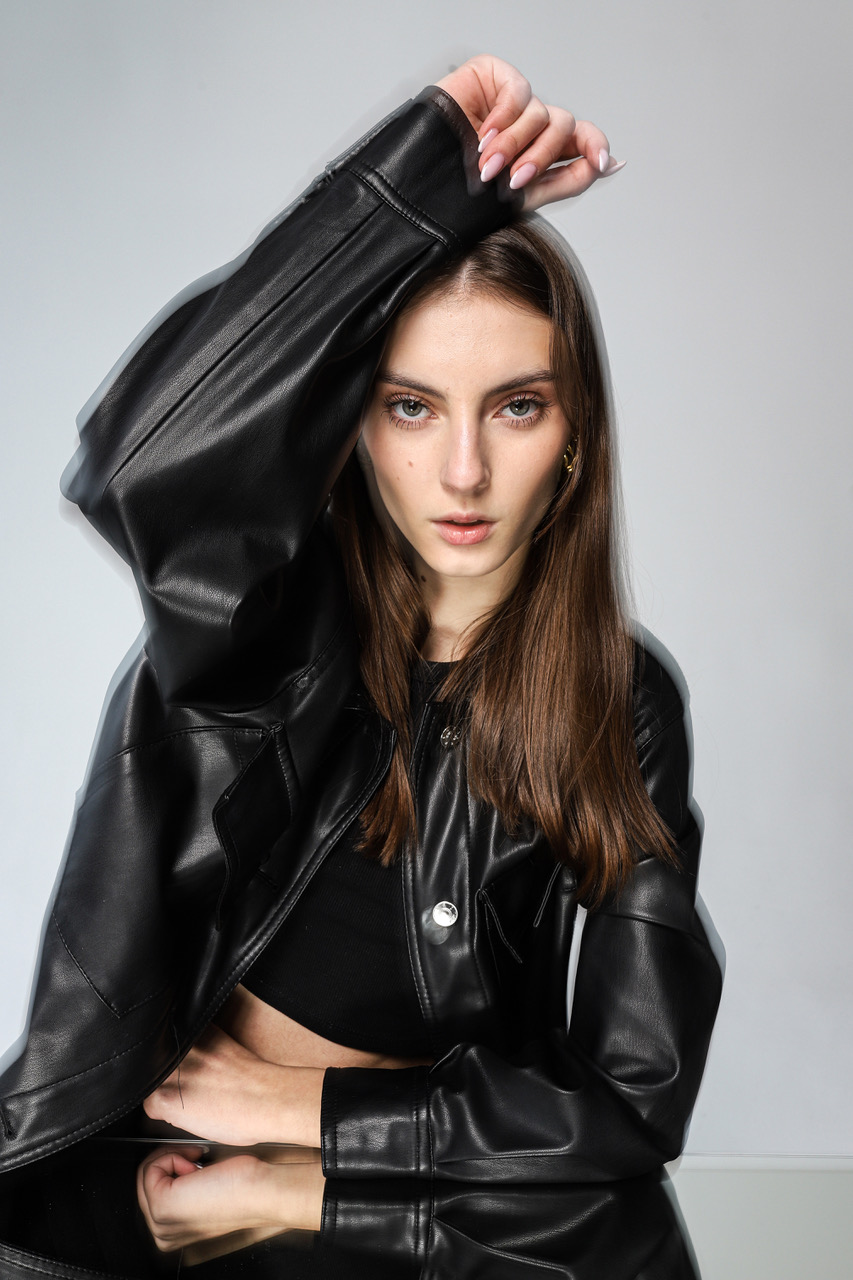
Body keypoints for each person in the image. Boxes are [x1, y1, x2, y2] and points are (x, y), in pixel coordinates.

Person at [0, 56, 722, 1249]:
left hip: (410, 1201)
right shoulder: (267, 615)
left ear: (574, 436)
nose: (462, 472)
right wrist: (417, 177)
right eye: (410, 405)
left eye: (516, 405)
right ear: (356, 427)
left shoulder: (619, 698)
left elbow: (634, 1094)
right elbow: (134, 463)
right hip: (151, 1178)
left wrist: (298, 1134)